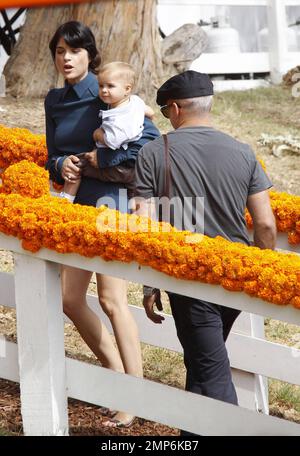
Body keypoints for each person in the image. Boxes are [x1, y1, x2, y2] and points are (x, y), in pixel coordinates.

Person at [134, 70, 277, 435]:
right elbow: (265, 226)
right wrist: (261, 271)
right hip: (236, 277)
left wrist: (149, 285)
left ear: (176, 108)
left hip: (189, 277)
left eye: (165, 111)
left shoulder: (153, 152)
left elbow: (144, 227)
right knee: (200, 362)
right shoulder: (243, 152)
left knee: (210, 370)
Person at [45, 20, 159, 428]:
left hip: (114, 202)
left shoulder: (109, 89)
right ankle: (116, 378)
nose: (65, 58)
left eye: (73, 51)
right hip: (79, 203)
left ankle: (134, 395)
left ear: (88, 55)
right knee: (70, 298)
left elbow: (150, 142)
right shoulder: (54, 100)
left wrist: (98, 161)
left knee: (112, 299)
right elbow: (51, 154)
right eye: (59, 51)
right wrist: (63, 162)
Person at [62, 61, 154, 202]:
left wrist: (98, 134)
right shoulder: (135, 101)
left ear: (127, 89)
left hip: (116, 164)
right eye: (101, 86)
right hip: (133, 166)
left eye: (110, 86)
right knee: (134, 192)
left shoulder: (119, 116)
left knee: (78, 163)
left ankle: (65, 199)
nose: (104, 90)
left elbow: (113, 141)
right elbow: (151, 112)